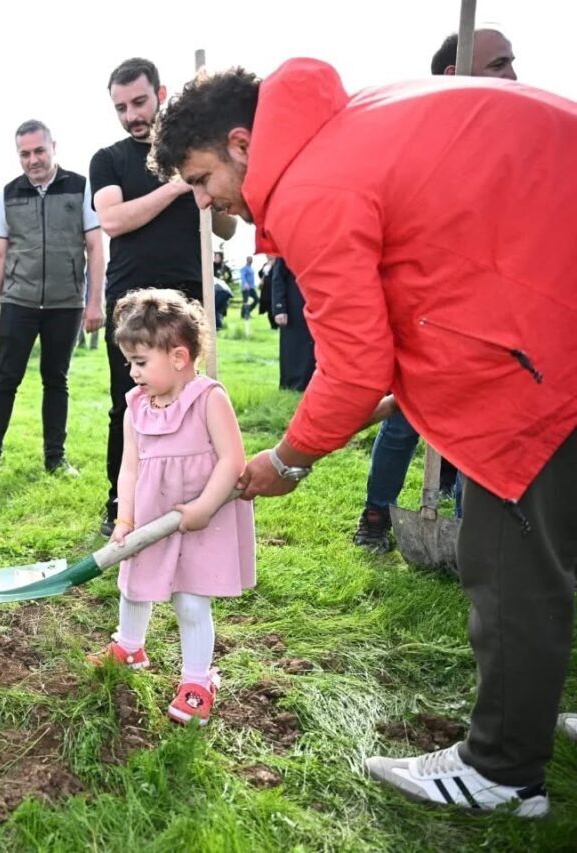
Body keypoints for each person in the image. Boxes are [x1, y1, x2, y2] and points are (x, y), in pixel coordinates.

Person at [155, 59, 577, 818]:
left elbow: (354, 366)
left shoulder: (311, 188)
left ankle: (503, 769)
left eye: (202, 178)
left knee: (506, 557)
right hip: (548, 288)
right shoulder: (355, 124)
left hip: (545, 339)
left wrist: (288, 460)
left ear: (242, 143)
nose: (206, 200)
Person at [353, 27, 516, 551]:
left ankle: (468, 530)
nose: (513, 75)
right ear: (456, 71)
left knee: (475, 421)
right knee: (404, 416)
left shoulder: (505, 138)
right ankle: (376, 514)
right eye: (499, 64)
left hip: (487, 308)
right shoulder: (420, 136)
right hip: (423, 306)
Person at [87, 288, 255, 726]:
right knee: (134, 585)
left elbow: (232, 461)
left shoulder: (209, 399)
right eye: (130, 362)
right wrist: (125, 517)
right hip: (150, 518)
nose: (132, 372)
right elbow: (129, 468)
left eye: (140, 362)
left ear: (179, 357)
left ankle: (198, 681)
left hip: (200, 519)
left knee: (191, 602)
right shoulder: (136, 408)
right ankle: (129, 646)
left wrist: (203, 508)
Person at [91, 57, 236, 535]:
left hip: (188, 298)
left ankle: (197, 494)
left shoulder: (190, 154)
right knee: (131, 401)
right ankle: (122, 503)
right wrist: (175, 188)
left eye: (139, 102)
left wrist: (201, 182)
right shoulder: (109, 160)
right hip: (131, 301)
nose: (132, 115)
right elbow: (112, 220)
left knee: (192, 400)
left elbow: (228, 228)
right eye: (121, 108)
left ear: (161, 93)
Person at [0, 119, 105, 476]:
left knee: (56, 380)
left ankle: (55, 458)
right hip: (18, 301)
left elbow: (95, 247)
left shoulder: (80, 187)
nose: (32, 160)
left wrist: (95, 302)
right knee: (5, 380)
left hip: (66, 303)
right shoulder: (8, 194)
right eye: (24, 154)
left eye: (39, 151)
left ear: (53, 148)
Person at [268, 257, 315, 391]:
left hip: (314, 304)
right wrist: (279, 308)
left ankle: (311, 384)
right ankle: (292, 385)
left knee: (311, 347)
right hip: (292, 306)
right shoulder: (285, 249)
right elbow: (278, 278)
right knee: (293, 346)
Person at [238, 256, 257, 327]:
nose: (250, 261)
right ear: (247, 260)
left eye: (251, 260)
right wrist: (245, 283)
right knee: (245, 301)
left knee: (256, 299)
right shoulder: (244, 268)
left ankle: (247, 312)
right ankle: (245, 315)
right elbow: (242, 276)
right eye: (249, 260)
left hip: (252, 287)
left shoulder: (251, 268)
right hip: (245, 287)